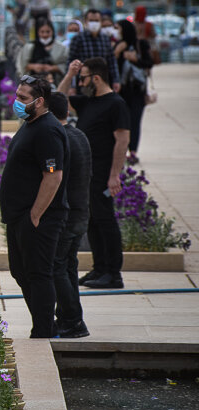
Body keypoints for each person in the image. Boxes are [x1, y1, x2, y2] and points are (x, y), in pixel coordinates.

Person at [0, 75, 69, 338]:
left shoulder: (48, 130)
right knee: (21, 271)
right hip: (19, 216)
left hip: (39, 218)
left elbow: (53, 175)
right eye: (17, 95)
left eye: (23, 98)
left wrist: (35, 215)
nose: (17, 102)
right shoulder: (30, 123)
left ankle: (44, 330)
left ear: (39, 102)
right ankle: (44, 323)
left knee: (38, 273)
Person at [58, 58, 131, 290]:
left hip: (103, 172)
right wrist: (70, 73)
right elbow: (58, 100)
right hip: (87, 172)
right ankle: (99, 268)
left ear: (96, 78)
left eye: (83, 78)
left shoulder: (116, 104)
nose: (80, 83)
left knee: (105, 220)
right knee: (92, 220)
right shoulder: (89, 101)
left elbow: (122, 141)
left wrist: (114, 175)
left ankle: (113, 272)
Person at [47, 92, 91, 339]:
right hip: (81, 212)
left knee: (57, 266)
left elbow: (54, 173)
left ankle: (73, 320)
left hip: (67, 214)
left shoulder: (60, 138)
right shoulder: (79, 134)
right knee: (68, 265)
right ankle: (67, 317)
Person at [114, 18, 153, 162]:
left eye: (118, 28)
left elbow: (149, 63)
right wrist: (117, 53)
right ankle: (122, 151)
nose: (116, 32)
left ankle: (134, 152)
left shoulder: (140, 44)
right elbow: (113, 68)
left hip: (137, 90)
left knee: (135, 121)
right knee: (122, 122)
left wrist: (135, 59)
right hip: (122, 91)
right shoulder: (118, 45)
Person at [68, 9, 120, 93]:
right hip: (83, 84)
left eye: (96, 20)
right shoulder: (78, 39)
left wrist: (116, 80)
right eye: (91, 20)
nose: (94, 23)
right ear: (86, 21)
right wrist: (71, 85)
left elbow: (111, 61)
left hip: (103, 83)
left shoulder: (105, 38)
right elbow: (71, 62)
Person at [17, 22, 68, 86]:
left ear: (52, 32)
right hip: (32, 84)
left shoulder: (61, 48)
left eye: (48, 31)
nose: (45, 35)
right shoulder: (30, 47)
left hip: (56, 83)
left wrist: (52, 68)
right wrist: (34, 66)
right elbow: (22, 65)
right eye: (42, 32)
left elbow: (66, 65)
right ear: (38, 32)